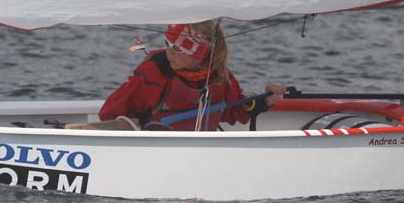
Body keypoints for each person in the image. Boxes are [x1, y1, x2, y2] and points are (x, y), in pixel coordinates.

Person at [99, 21, 286, 131]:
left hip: (200, 157)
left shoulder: (218, 77)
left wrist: (264, 101)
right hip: (156, 155)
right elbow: (109, 113)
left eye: (178, 49)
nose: (169, 53)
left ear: (201, 55)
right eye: (168, 44)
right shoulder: (155, 72)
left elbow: (233, 110)